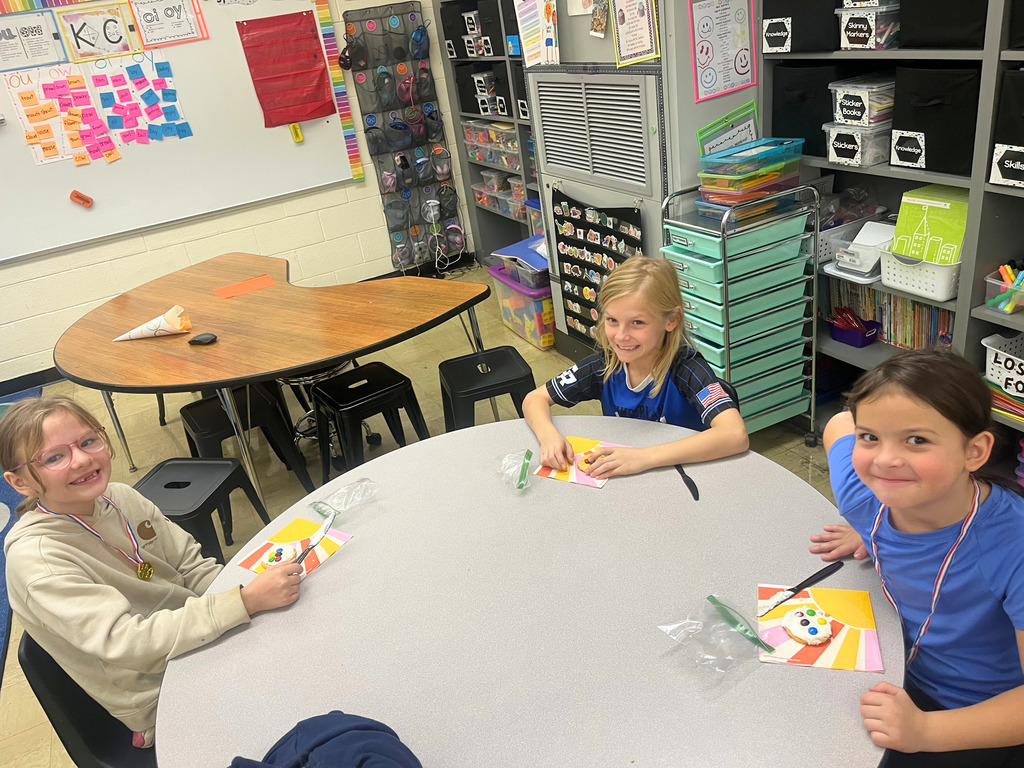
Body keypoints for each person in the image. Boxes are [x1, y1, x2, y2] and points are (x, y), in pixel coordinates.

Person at [0, 395, 302, 749]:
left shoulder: (120, 497)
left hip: (202, 637)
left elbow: (191, 565)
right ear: (20, 483)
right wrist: (245, 602)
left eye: (88, 441)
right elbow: (129, 643)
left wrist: (246, 592)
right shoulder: (39, 561)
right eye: (54, 457)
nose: (81, 459)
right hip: (159, 693)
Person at [810, 348, 1024, 766]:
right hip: (893, 667)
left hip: (974, 712)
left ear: (975, 451)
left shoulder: (1012, 545)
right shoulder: (862, 497)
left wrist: (927, 731)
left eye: (917, 440)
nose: (885, 459)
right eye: (871, 437)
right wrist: (866, 530)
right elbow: (839, 424)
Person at [523, 256, 748, 479]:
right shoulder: (604, 365)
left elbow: (735, 434)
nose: (621, 336)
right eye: (612, 320)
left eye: (637, 322)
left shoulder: (688, 369)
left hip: (690, 477)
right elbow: (534, 399)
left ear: (671, 320)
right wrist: (549, 437)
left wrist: (645, 457)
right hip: (629, 477)